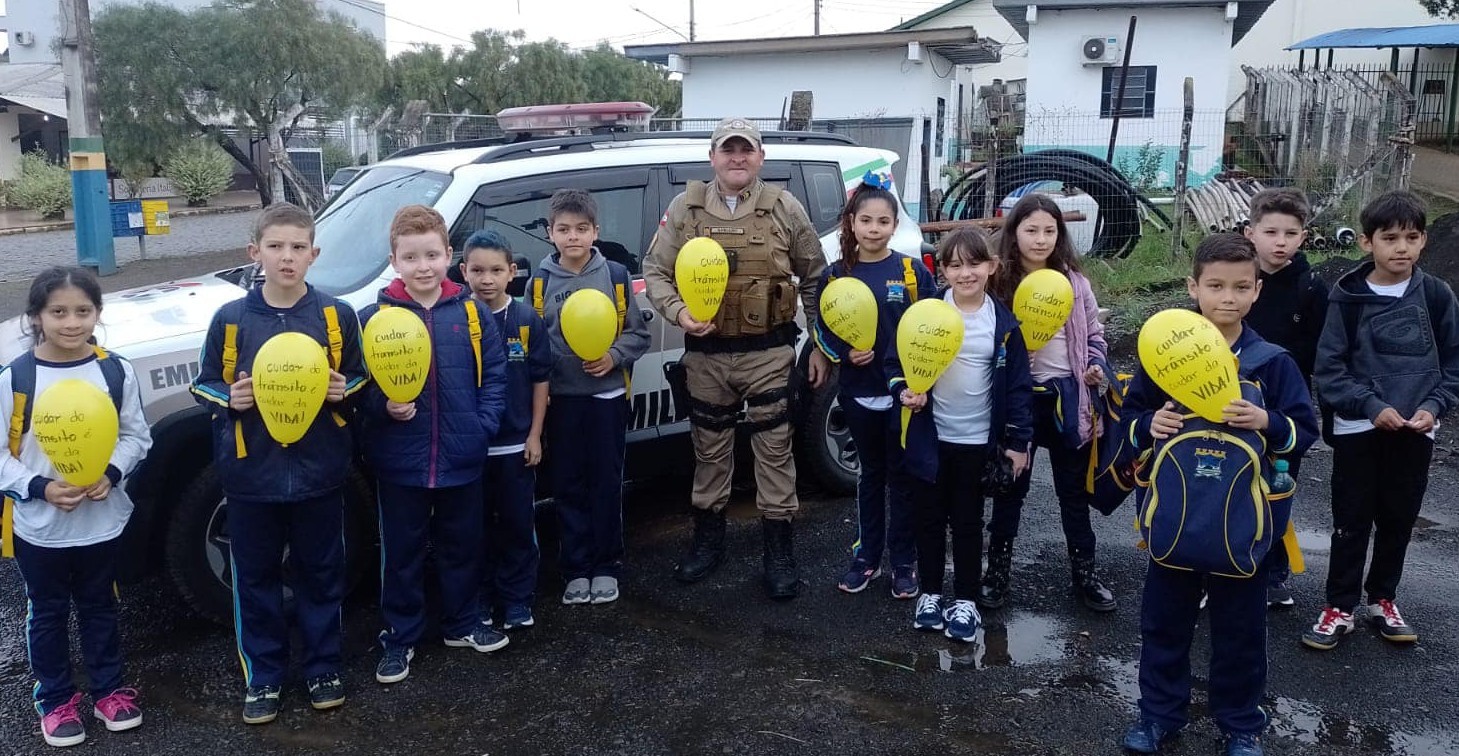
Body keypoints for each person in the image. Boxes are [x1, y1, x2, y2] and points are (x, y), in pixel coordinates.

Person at [1120, 234, 1318, 756]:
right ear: (1193, 288)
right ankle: (1158, 715)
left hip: (1243, 528)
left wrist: (1267, 421)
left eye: (1240, 287)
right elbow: (1128, 420)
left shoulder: (1272, 362)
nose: (1227, 298)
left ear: (1257, 291)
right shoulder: (1165, 357)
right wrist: (1149, 424)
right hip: (1174, 521)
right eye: (1215, 286)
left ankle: (1241, 725)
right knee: (1163, 625)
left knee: (1240, 632)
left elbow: (1304, 432)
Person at [191, 203, 369, 724]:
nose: (286, 257)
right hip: (251, 477)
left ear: (314, 254)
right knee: (255, 579)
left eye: (297, 247)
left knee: (322, 575)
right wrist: (230, 398)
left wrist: (344, 389)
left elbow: (360, 376)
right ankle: (264, 676)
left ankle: (322, 668)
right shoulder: (231, 320)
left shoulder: (335, 316)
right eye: (275, 247)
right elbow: (204, 383)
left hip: (321, 473)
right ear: (256, 253)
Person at [644, 117, 827, 599]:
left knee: (775, 451)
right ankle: (709, 541)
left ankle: (779, 552)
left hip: (768, 353)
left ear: (761, 157)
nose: (737, 158)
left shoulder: (784, 207)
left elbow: (815, 278)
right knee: (709, 451)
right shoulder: (684, 209)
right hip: (706, 356)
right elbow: (656, 271)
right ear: (713, 157)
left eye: (747, 150)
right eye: (728, 150)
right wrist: (679, 313)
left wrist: (820, 346)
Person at [0, 266, 152, 747]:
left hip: (101, 523)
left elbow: (135, 436)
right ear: (36, 317)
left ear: (97, 313)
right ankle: (55, 700)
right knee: (47, 613)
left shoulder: (114, 370)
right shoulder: (17, 377)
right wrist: (40, 487)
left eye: (83, 311)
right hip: (41, 527)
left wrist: (111, 474)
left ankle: (109, 691)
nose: (71, 322)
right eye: (58, 312)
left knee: (100, 606)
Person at [1304, 190, 1459, 651]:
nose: (1401, 248)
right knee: (1351, 520)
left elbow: (1453, 364)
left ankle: (1383, 600)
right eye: (1389, 238)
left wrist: (1434, 406)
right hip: (1358, 430)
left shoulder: (1437, 295)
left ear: (1424, 240)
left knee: (1398, 519)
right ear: (1367, 242)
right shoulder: (1347, 298)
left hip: (1416, 431)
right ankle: (1339, 606)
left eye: (1411, 237)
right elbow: (1329, 370)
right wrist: (1372, 408)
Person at [360, 205, 508, 685]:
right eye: (410, 257)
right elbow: (360, 387)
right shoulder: (374, 318)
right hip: (400, 462)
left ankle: (462, 623)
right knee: (401, 554)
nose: (422, 266)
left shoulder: (471, 313)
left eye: (431, 255)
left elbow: (495, 376)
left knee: (462, 546)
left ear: (448, 255)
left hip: (462, 455)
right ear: (394, 261)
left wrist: (482, 426)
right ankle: (399, 637)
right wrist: (384, 406)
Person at [890, 228, 1032, 642]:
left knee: (968, 523)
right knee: (929, 520)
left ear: (992, 266)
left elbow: (1019, 388)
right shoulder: (925, 315)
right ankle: (931, 594)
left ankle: (966, 600)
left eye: (974, 264)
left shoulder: (1003, 325)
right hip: (931, 439)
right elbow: (895, 363)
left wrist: (1018, 442)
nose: (965, 273)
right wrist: (904, 391)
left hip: (977, 442)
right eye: (954, 265)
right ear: (943, 270)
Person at [985, 193, 1116, 613]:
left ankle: (1085, 575)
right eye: (1031, 230)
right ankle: (996, 574)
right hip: (1018, 404)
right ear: (1014, 233)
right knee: (1010, 490)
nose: (1040, 239)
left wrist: (1095, 367)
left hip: (1068, 399)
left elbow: (1094, 336)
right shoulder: (998, 283)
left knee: (1072, 494)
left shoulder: (1075, 284)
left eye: (1049, 231)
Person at [810, 175, 935, 598]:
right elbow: (821, 329)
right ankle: (866, 558)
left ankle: (903, 561)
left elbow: (933, 324)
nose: (874, 229)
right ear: (851, 223)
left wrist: (924, 383)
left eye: (883, 221)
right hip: (858, 392)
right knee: (870, 477)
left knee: (902, 478)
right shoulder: (835, 275)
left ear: (895, 225)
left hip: (905, 397)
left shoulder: (911, 272)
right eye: (866, 220)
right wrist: (843, 354)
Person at [532, 189, 650, 606]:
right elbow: (534, 344)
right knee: (567, 485)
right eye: (564, 229)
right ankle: (575, 569)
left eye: (581, 229)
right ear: (550, 233)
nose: (573, 237)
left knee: (606, 483)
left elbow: (638, 334)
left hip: (607, 397)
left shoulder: (614, 276)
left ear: (596, 232)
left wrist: (613, 356)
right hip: (562, 400)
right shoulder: (540, 282)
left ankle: (606, 565)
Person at [1241, 187, 1328, 609]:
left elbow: (1322, 349)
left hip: (1284, 408)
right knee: (1229, 483)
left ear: (1303, 237)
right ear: (1250, 233)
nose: (1280, 242)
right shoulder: (1237, 279)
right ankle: (1218, 562)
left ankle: (1272, 573)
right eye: (1271, 232)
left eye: (1291, 234)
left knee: (1276, 488)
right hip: (1232, 403)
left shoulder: (1311, 287)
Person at [460, 231, 552, 629]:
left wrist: (534, 435)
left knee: (517, 525)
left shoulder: (526, 319)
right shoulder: (456, 319)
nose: (487, 279)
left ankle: (517, 598)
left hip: (515, 446)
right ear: (463, 271)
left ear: (512, 272)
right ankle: (480, 599)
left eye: (496, 270)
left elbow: (540, 380)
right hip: (472, 449)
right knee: (473, 529)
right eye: (477, 270)